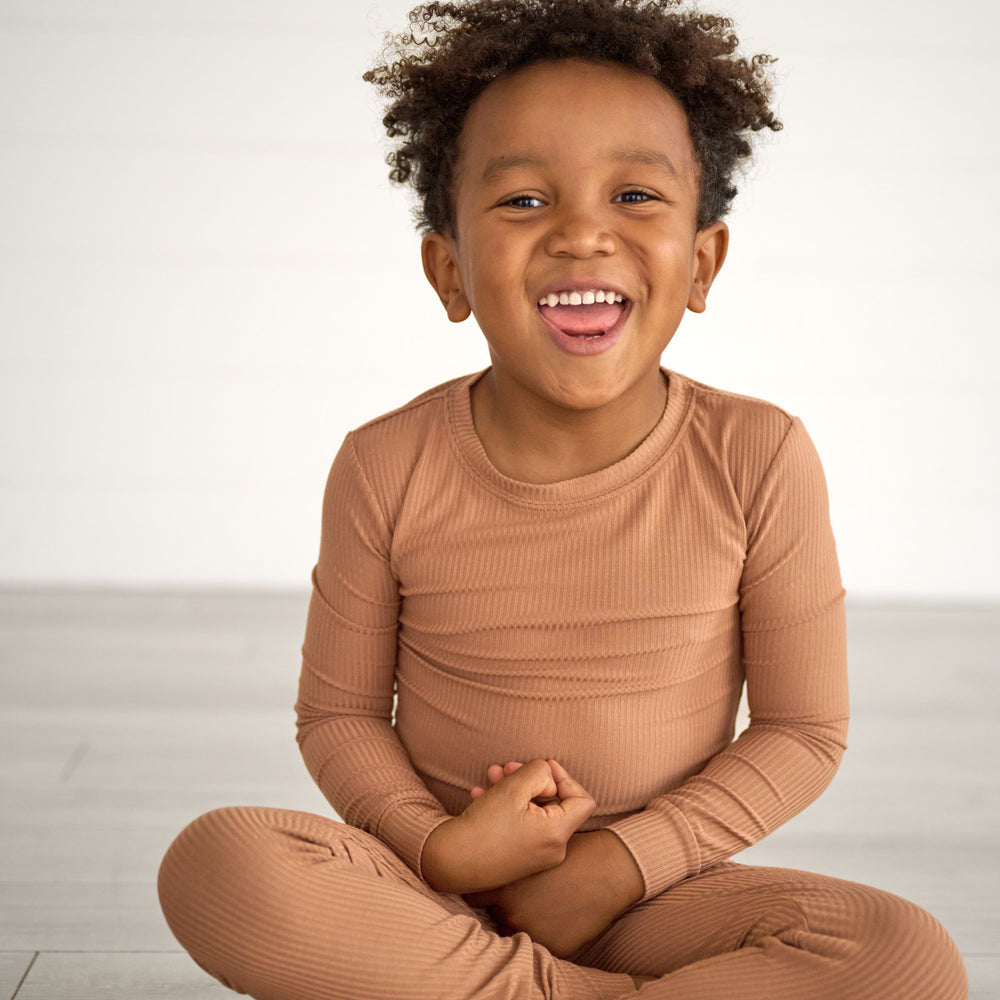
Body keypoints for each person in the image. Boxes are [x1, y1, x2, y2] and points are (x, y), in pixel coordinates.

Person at [157, 1, 968, 997]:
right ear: (448, 270)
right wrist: (447, 851)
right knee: (224, 860)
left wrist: (617, 866)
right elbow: (338, 717)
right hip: (431, 890)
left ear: (703, 262)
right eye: (522, 201)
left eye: (633, 194)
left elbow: (802, 731)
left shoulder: (759, 455)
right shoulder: (385, 462)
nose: (583, 233)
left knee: (902, 955)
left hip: (652, 896)